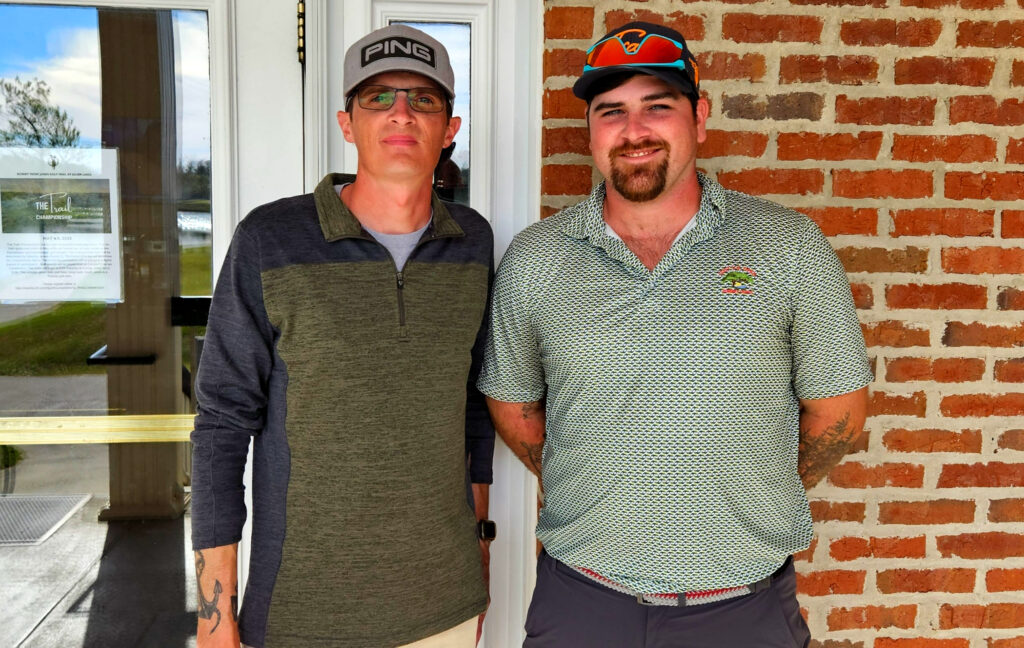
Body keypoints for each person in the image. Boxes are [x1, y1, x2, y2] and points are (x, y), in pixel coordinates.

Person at [477, 20, 872, 648]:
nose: (634, 132)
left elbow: (840, 409)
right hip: (583, 598)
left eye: (657, 107)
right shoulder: (539, 260)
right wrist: (586, 478)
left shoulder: (788, 248)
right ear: (591, 130)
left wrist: (751, 483)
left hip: (743, 606)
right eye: (611, 112)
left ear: (700, 117)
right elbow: (512, 401)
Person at [191, 24, 495, 648]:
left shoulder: (473, 243)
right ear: (347, 123)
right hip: (304, 612)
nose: (401, 114)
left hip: (446, 606)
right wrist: (215, 614)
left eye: (423, 99)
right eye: (378, 97)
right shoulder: (270, 240)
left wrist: (479, 546)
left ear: (450, 129)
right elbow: (222, 423)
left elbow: (471, 406)